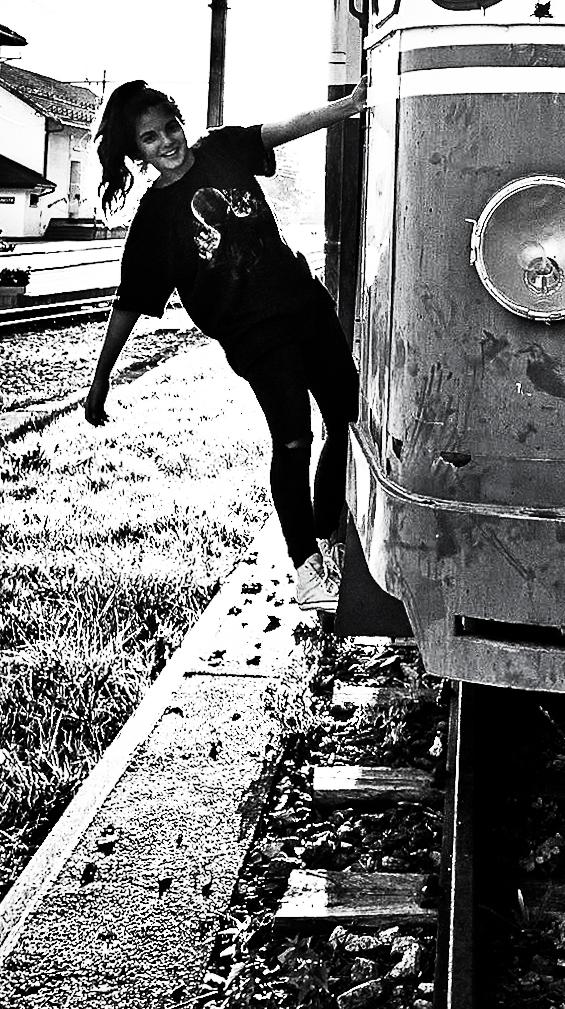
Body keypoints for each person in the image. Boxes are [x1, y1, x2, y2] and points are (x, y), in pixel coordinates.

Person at [84, 78, 367, 612]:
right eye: (149, 139)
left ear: (181, 121)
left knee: (345, 420)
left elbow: (281, 129)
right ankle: (307, 568)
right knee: (292, 440)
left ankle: (327, 534)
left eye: (171, 127)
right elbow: (128, 304)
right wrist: (100, 381)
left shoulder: (221, 149)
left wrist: (348, 107)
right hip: (254, 335)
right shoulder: (153, 222)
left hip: (306, 307)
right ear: (134, 151)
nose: (167, 142)